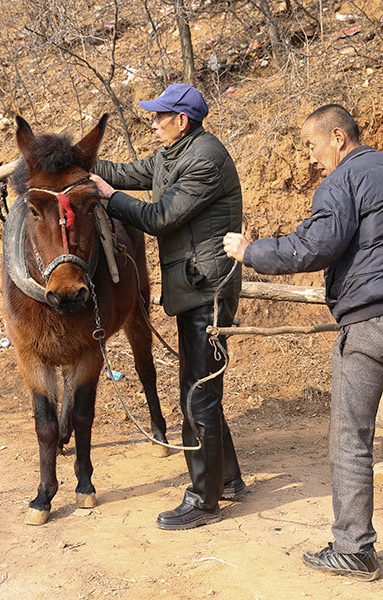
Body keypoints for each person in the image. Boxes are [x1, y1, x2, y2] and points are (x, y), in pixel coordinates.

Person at [223, 104, 383, 580]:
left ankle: (354, 547)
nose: (310, 157)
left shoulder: (343, 181)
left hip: (370, 323)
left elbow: (314, 246)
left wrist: (251, 252)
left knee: (351, 436)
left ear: (338, 137)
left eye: (312, 144)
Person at [90, 83, 246, 530]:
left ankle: (203, 499)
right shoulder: (173, 153)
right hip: (192, 287)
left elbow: (160, 218)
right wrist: (76, 163)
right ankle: (228, 480)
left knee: (197, 394)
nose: (153, 123)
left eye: (160, 117)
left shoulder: (205, 160)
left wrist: (109, 197)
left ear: (182, 121)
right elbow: (127, 171)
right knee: (201, 389)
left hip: (208, 290)